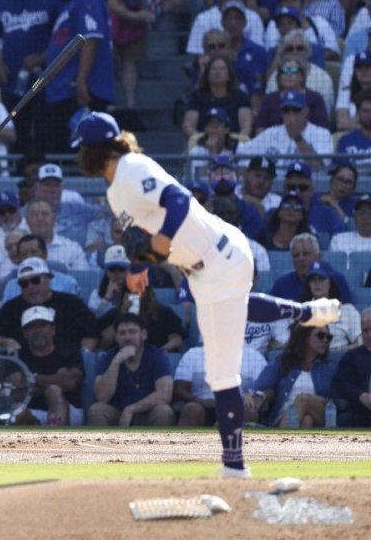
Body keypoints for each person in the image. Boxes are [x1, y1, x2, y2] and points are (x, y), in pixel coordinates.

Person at [74, 110, 341, 477]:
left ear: (94, 150)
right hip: (201, 270)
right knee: (237, 306)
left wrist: (163, 240)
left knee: (221, 373)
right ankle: (304, 313)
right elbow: (139, 237)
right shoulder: (115, 191)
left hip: (220, 255)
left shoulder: (132, 167)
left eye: (83, 150)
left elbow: (178, 201)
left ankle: (234, 466)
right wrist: (138, 269)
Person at [0, 0, 61, 159]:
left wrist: (42, 56)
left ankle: (43, 173)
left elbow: (61, 35)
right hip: (12, 81)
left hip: (45, 79)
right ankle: (20, 175)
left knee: (45, 130)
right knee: (18, 130)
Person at [42, 0, 114, 153]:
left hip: (80, 91)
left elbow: (90, 39)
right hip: (63, 90)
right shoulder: (69, 2)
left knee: (83, 150)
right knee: (62, 148)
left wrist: (82, 80)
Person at [0, 257, 99, 352]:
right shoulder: (11, 309)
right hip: (23, 368)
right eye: (24, 283)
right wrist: (5, 342)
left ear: (48, 279)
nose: (30, 286)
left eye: (35, 280)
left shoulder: (71, 303)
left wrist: (83, 356)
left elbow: (91, 334)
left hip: (67, 366)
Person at [106, 0, 181, 108]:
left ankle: (130, 105)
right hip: (112, 18)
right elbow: (112, 2)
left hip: (138, 18)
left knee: (130, 61)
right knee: (108, 60)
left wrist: (154, 12)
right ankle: (108, 103)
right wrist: (137, 16)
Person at [88, 313, 176, 427]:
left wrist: (131, 409)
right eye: (122, 333)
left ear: (143, 335)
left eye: (132, 332)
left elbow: (164, 395)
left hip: (147, 413)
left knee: (164, 411)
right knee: (96, 410)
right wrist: (116, 362)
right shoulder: (107, 357)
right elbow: (102, 397)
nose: (127, 337)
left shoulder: (157, 355)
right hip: (116, 413)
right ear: (116, 337)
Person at [253, 324, 337, 427]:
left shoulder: (329, 367)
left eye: (328, 337)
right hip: (286, 414)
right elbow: (260, 385)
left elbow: (335, 401)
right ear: (305, 337)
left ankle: (279, 440)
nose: (325, 340)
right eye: (320, 335)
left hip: (320, 414)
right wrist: (255, 395)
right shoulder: (284, 362)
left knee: (303, 400)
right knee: (307, 421)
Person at [14, 306, 85, 426]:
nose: (37, 330)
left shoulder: (69, 352)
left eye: (42, 325)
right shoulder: (18, 358)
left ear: (53, 329)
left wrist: (32, 379)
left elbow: (70, 382)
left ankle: (58, 439)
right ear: (25, 333)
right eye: (32, 326)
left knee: (53, 391)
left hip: (70, 410)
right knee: (18, 413)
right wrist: (57, 378)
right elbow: (15, 392)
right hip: (33, 413)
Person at [175, 342, 268, 426]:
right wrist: (200, 401)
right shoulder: (193, 354)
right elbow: (179, 389)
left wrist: (255, 397)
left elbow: (268, 387)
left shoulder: (254, 357)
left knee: (250, 412)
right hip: (202, 405)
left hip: (237, 406)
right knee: (191, 409)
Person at [237, 91, 333, 168]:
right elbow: (241, 155)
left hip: (307, 186)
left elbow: (321, 168)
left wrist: (297, 137)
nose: (291, 114)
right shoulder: (270, 133)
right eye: (286, 110)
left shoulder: (322, 134)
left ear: (306, 111)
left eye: (296, 110)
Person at [182, 55, 252, 138]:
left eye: (222, 68)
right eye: (213, 69)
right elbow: (188, 126)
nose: (217, 72)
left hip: (233, 146)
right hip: (202, 145)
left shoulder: (241, 97)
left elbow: (246, 127)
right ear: (207, 75)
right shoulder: (197, 97)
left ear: (229, 75)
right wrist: (203, 141)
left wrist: (234, 144)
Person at [254, 56, 329, 132]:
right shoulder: (269, 99)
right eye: (284, 71)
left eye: (293, 70)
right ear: (279, 77)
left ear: (302, 76)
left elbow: (322, 128)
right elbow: (260, 128)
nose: (288, 74)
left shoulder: (315, 98)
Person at [301, 262, 361, 352]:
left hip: (340, 359)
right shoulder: (301, 310)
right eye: (313, 279)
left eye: (321, 279)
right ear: (308, 284)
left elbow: (362, 340)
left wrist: (343, 352)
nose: (317, 283)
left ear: (330, 282)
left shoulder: (348, 310)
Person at [24, 199, 90, 271]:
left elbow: (81, 279)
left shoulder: (73, 248)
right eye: (34, 215)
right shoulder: (17, 248)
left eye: (45, 214)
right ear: (27, 221)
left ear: (54, 219)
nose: (40, 218)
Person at [331, 309, 371, 427]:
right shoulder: (352, 356)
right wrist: (360, 395)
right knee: (343, 420)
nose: (370, 335)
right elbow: (341, 383)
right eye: (365, 331)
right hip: (361, 412)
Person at [0, 190, 29, 275]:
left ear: (19, 209)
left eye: (11, 210)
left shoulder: (32, 226)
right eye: (2, 212)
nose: (7, 215)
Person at [87, 244, 130, 317]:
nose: (117, 274)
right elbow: (93, 321)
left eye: (122, 270)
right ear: (106, 271)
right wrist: (106, 298)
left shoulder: (137, 293)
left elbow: (135, 321)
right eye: (112, 270)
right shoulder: (96, 295)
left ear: (129, 271)